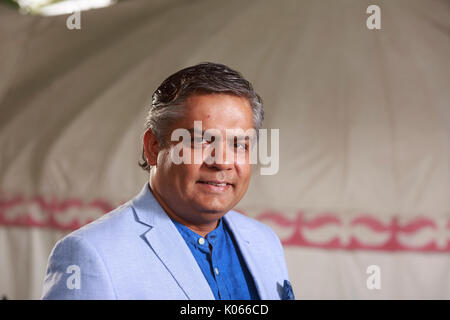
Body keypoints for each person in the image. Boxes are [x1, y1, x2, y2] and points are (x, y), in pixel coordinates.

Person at [42, 62, 293, 300]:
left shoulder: (264, 241)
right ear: (153, 147)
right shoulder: (90, 254)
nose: (222, 162)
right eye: (200, 141)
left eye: (239, 144)